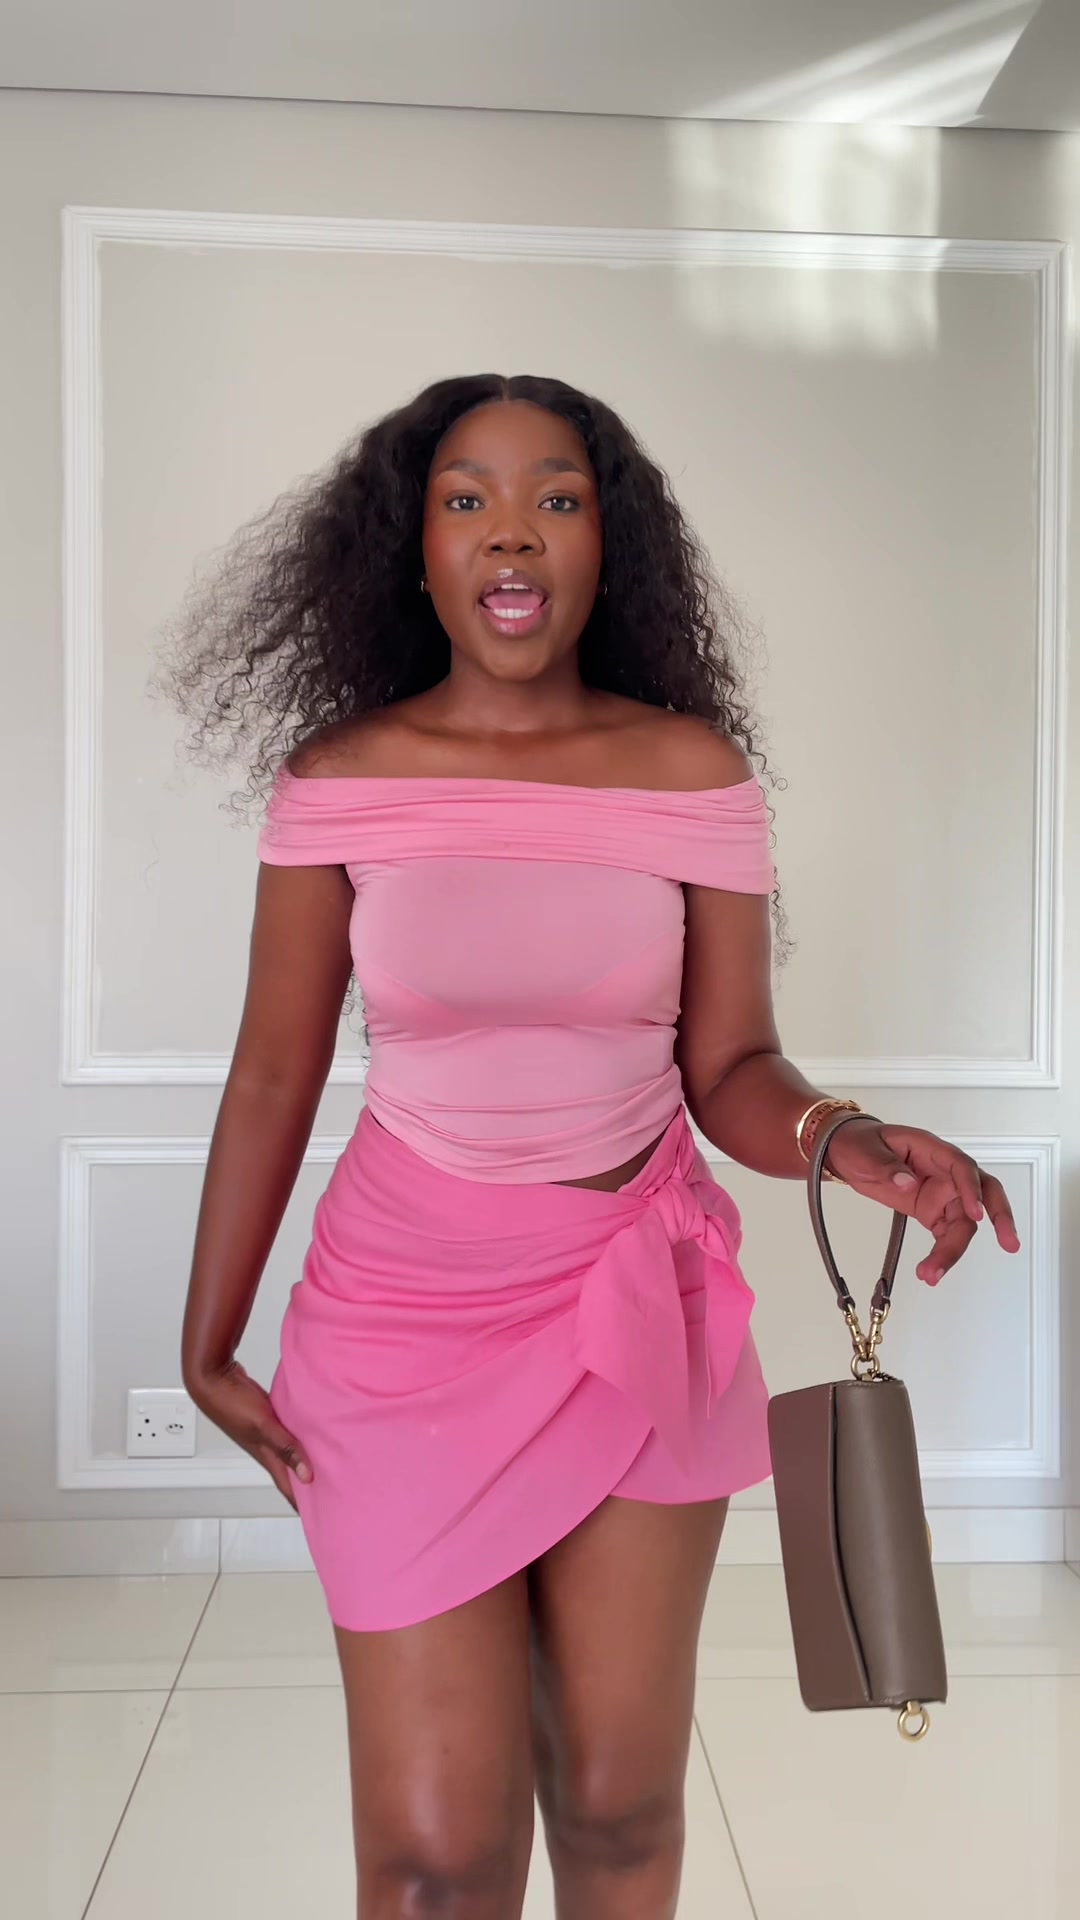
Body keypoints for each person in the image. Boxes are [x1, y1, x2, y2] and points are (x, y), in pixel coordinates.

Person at [168, 373, 1020, 1920]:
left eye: (556, 499)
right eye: (468, 501)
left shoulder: (692, 774)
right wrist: (206, 1341)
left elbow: (732, 1065)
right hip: (402, 1327)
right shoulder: (341, 782)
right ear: (415, 549)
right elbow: (274, 1069)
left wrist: (844, 1139)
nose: (513, 534)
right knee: (436, 1863)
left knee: (622, 1817)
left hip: (639, 1320)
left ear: (607, 544)